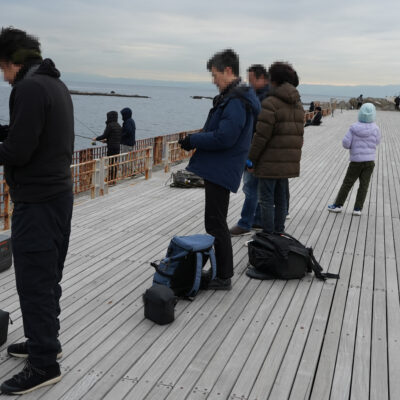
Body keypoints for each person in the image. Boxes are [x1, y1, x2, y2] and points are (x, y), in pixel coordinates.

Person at [0, 27, 74, 394]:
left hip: (37, 203)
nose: (3, 76)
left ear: (13, 61)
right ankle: (45, 341)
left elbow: (18, 152)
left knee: (34, 283)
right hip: (58, 197)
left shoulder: (27, 88)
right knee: (47, 277)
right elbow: (31, 135)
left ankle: (44, 364)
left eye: (2, 68)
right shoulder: (54, 84)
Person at [178, 49, 260, 290]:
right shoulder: (236, 97)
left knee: (215, 223)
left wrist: (193, 140)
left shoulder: (236, 100)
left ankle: (223, 276)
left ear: (228, 71)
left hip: (221, 167)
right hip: (222, 166)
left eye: (215, 75)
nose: (213, 80)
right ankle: (221, 272)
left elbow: (225, 137)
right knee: (216, 221)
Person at [247, 61, 304, 234]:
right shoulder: (297, 103)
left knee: (266, 200)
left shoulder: (271, 102)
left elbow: (261, 136)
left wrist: (251, 159)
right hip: (288, 161)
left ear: (274, 80)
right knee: (281, 200)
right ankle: (279, 233)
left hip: (269, 161)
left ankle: (268, 236)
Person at [229, 64, 269, 236]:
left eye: (251, 79)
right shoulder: (266, 96)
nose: (249, 83)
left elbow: (259, 129)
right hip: (261, 148)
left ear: (262, 78)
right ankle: (258, 220)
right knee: (258, 187)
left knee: (250, 187)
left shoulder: (263, 99)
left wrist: (251, 156)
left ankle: (245, 223)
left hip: (255, 148)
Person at [327, 103, 380, 216]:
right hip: (369, 162)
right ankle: (357, 209)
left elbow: (346, 144)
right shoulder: (376, 128)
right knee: (364, 185)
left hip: (356, 161)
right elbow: (377, 141)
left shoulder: (353, 127)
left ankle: (338, 205)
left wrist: (353, 146)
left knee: (347, 183)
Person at [92, 111, 122, 182]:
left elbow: (104, 135)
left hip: (111, 148)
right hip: (117, 147)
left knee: (110, 163)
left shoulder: (110, 125)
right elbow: (115, 137)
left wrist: (96, 138)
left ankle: (110, 179)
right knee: (114, 163)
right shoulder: (118, 125)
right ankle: (113, 178)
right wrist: (106, 141)